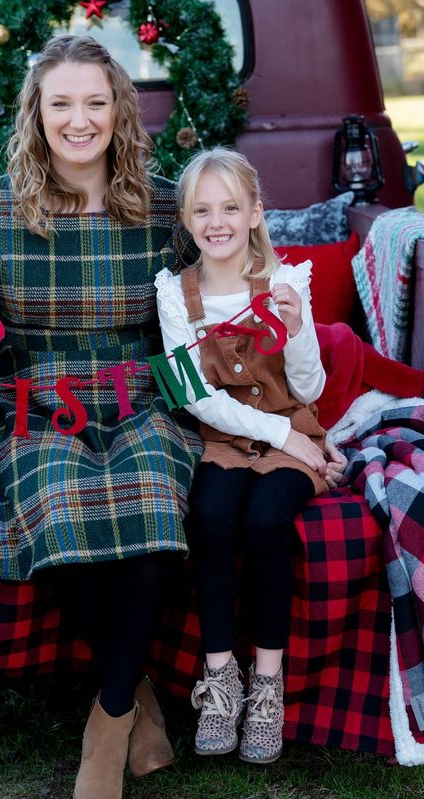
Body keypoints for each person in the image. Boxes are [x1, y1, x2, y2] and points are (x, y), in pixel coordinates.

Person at [0, 35, 198, 799]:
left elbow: (210, 304)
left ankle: (106, 725)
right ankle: (137, 697)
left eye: (95, 101)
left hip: (144, 386)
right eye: (61, 104)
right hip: (34, 395)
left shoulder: (163, 202)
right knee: (55, 509)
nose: (79, 120)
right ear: (35, 112)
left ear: (119, 108)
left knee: (154, 509)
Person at [154, 148, 347, 764]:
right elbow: (195, 397)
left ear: (256, 214)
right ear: (186, 221)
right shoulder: (174, 295)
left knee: (266, 523)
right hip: (223, 437)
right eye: (203, 210)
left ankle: (267, 682)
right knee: (209, 519)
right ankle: (220, 680)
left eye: (231, 208)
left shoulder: (287, 284)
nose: (217, 222)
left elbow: (310, 389)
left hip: (292, 431)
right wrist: (281, 435)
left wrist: (296, 334)